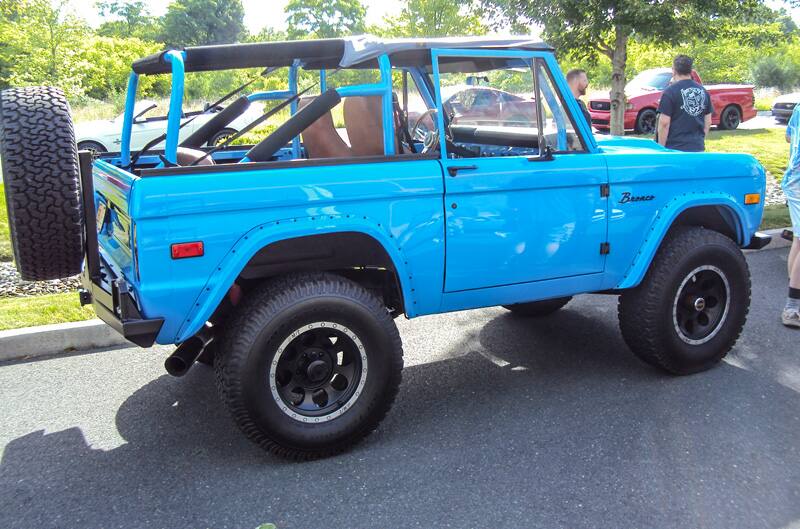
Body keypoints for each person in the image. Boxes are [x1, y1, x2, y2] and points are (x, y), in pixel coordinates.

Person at [656, 55, 713, 152]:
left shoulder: (670, 92)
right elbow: (708, 122)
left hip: (674, 149)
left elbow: (664, 123)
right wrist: (699, 140)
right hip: (697, 148)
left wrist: (661, 149)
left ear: (674, 70)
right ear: (690, 70)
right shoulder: (703, 91)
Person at [781, 105, 800, 328]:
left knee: (798, 239)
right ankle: (792, 308)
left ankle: (794, 290)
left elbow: (788, 136)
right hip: (798, 183)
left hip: (792, 180)